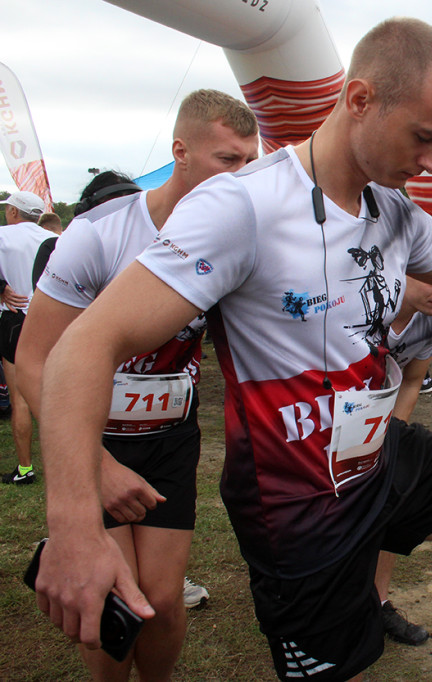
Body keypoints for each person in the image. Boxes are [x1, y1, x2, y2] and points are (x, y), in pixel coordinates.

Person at [33, 18, 432, 682]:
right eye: (424, 136)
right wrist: (73, 526)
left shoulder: (393, 209)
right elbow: (83, 346)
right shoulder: (241, 207)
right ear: (359, 99)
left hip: (376, 452)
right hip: (294, 500)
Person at [19, 90, 260, 679]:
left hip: (170, 439)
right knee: (113, 602)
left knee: (165, 601)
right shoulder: (97, 234)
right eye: (228, 161)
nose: (243, 177)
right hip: (91, 438)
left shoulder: (235, 234)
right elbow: (32, 359)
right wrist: (95, 463)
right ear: (180, 152)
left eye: (251, 163)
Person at [375, 275, 432, 645]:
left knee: (391, 496)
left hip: (381, 414)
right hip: (328, 415)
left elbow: (411, 379)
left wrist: (393, 436)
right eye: (431, 282)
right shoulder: (363, 307)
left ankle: (377, 601)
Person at [0, 190, 51, 485]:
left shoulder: (4, 236)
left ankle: (24, 468)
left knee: (20, 397)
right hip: (53, 320)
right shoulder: (53, 237)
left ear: (14, 213)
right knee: (56, 395)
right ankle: (67, 462)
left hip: (16, 321)